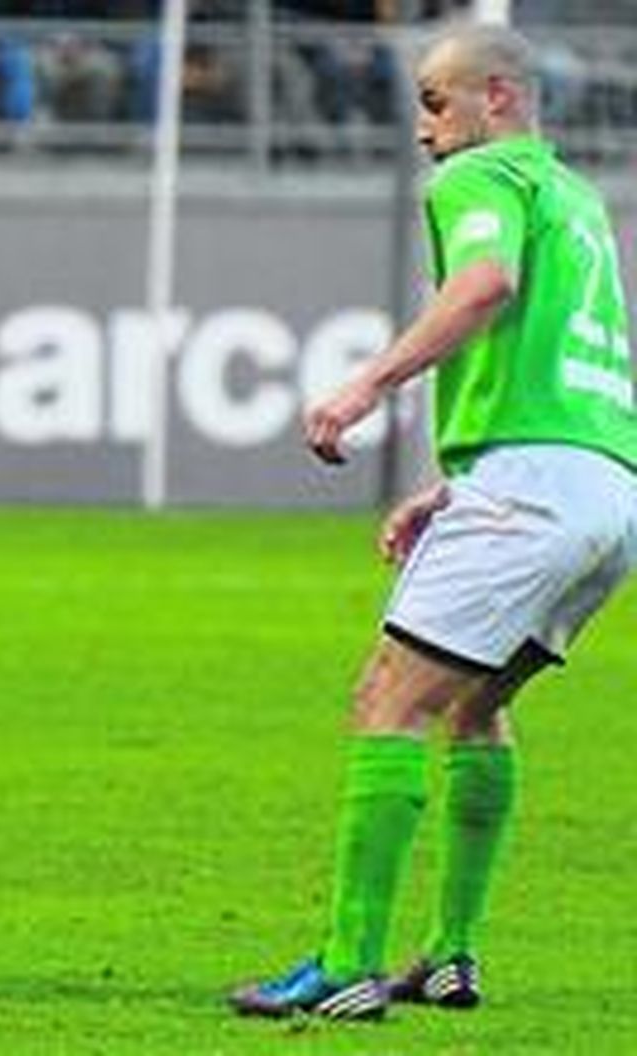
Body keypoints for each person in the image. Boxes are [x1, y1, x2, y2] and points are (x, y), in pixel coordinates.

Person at [230, 25, 637, 1020]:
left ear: (495, 98)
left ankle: (344, 963)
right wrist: (462, 480)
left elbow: (483, 288)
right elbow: (554, 368)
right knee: (473, 706)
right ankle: (451, 953)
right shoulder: (577, 201)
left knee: (387, 699)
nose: (423, 131)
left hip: (531, 491)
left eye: (434, 102)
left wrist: (365, 385)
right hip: (607, 490)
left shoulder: (479, 177)